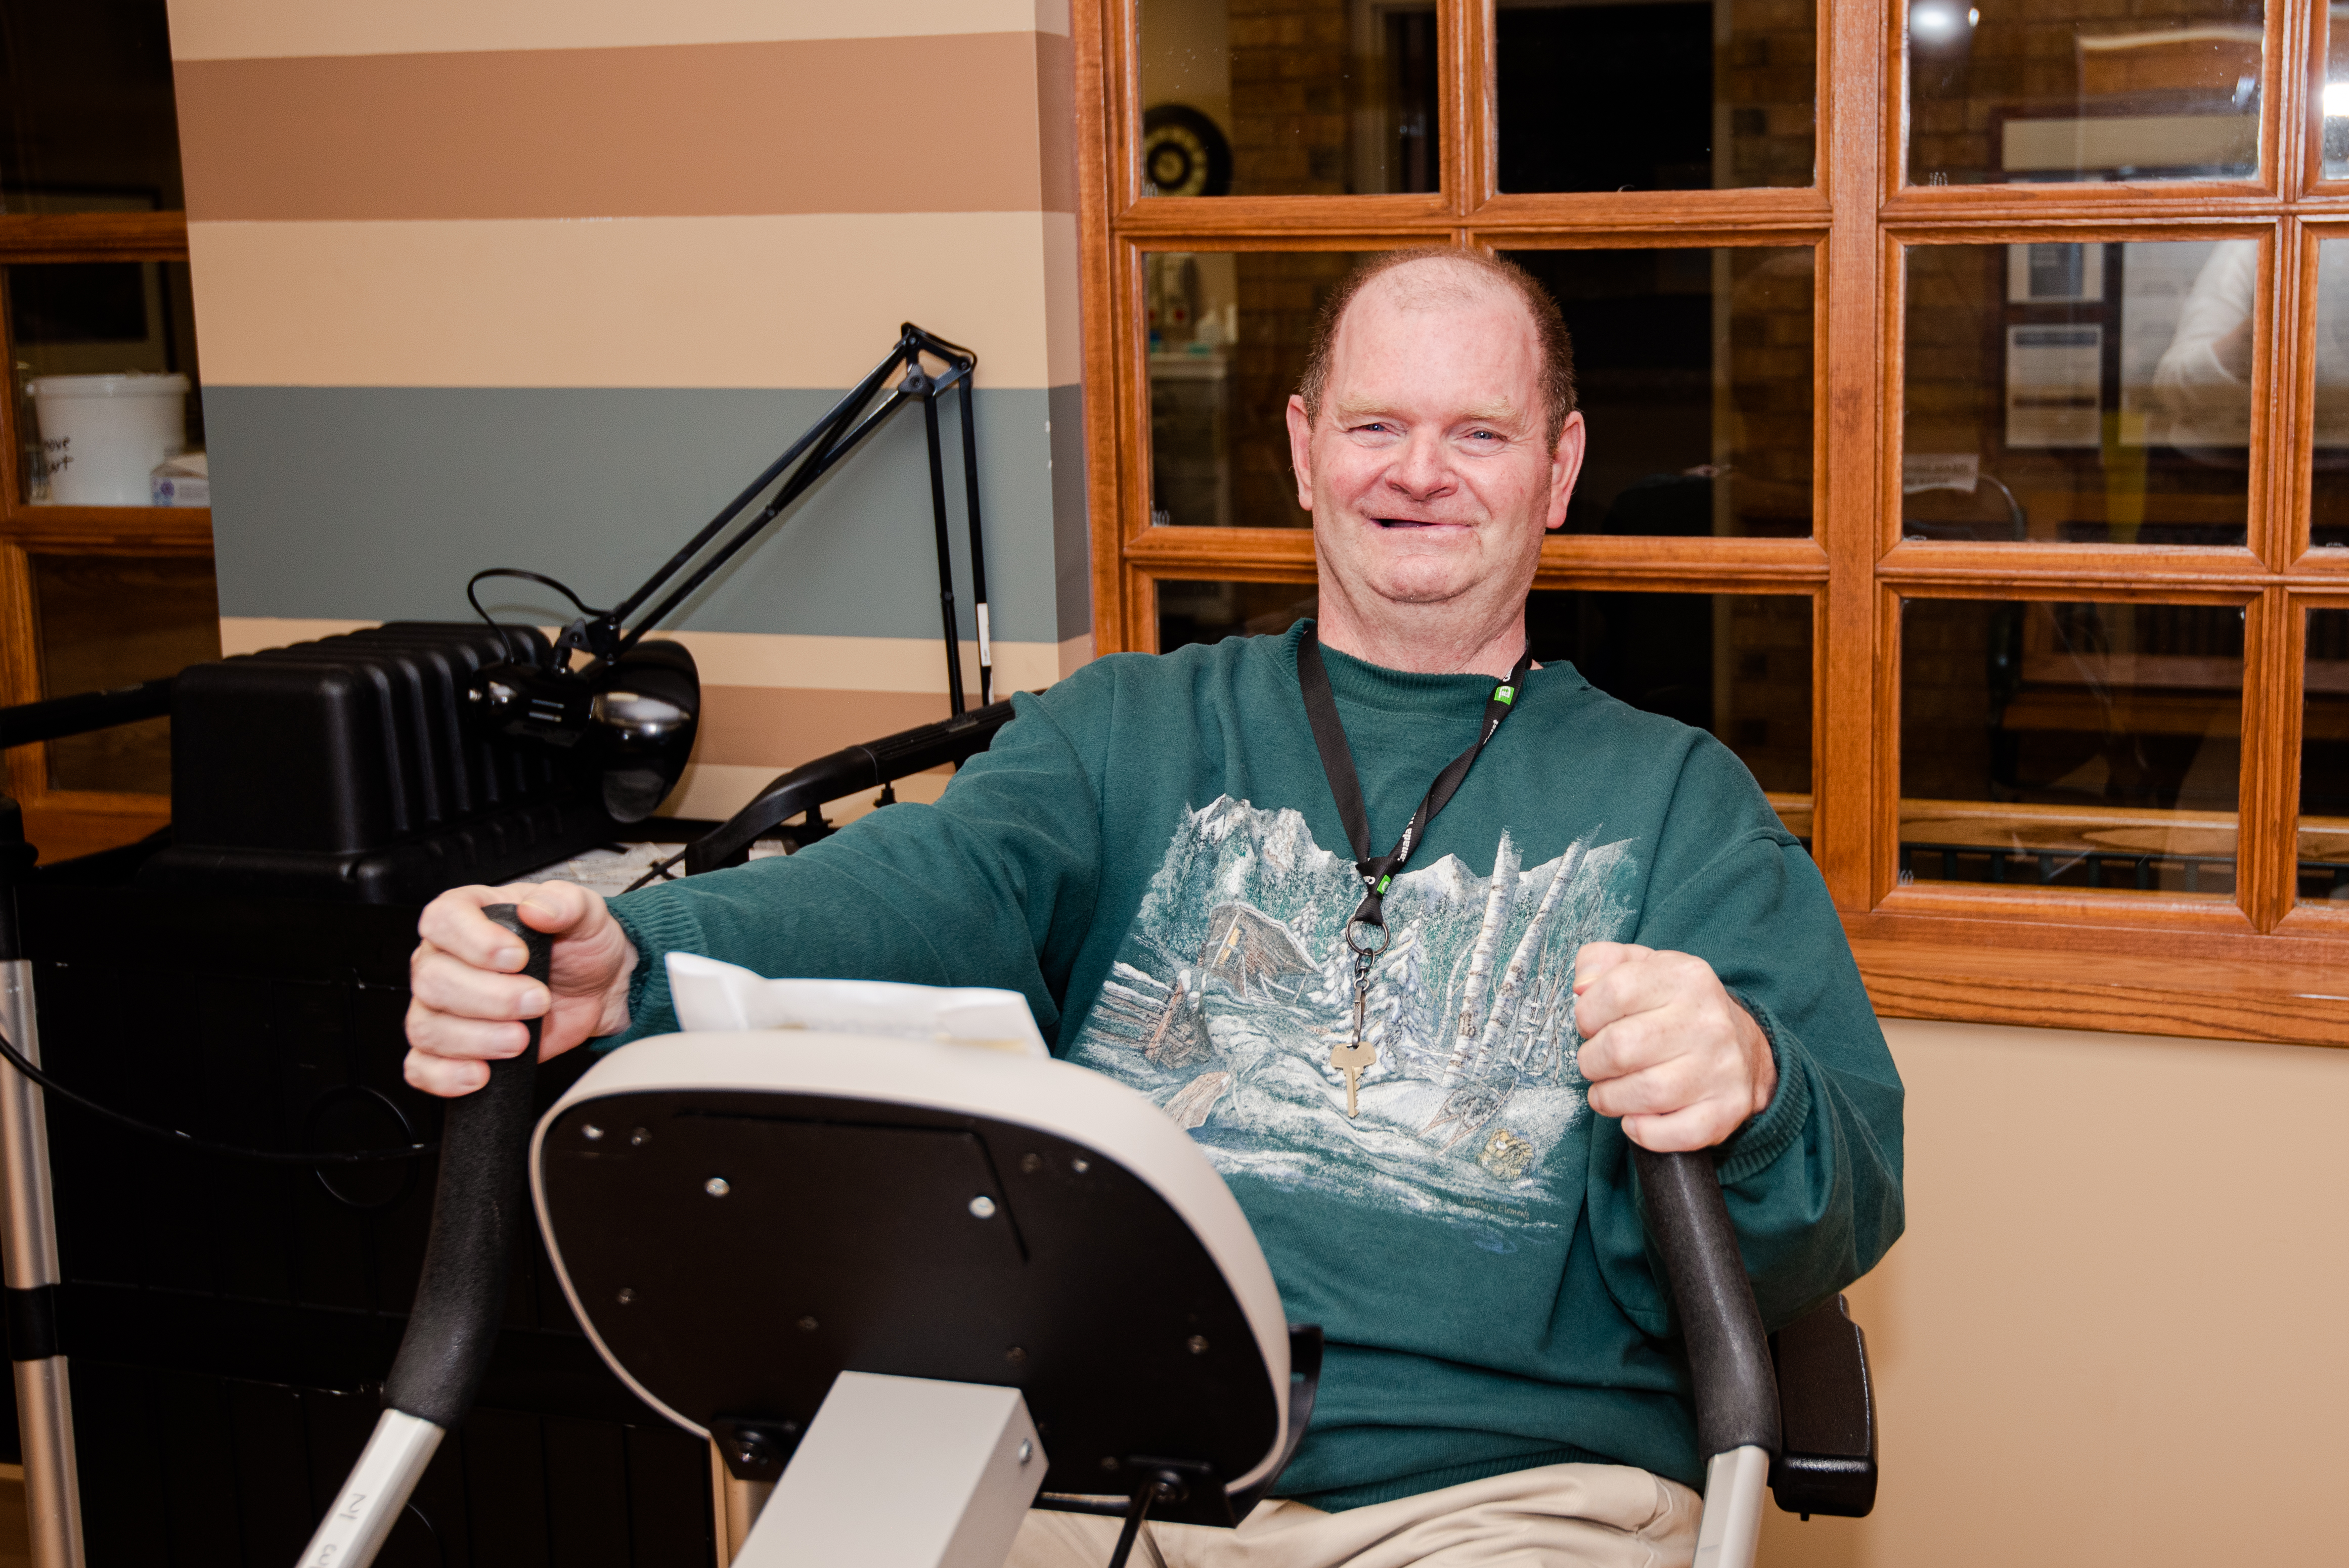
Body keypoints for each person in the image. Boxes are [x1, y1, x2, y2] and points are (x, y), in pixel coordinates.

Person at [406, 246, 1904, 1567]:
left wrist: (1754, 1087)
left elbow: (1846, 1190)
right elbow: (927, 885)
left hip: (1498, 1502)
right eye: (1376, 425)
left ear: (1560, 469)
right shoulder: (1127, 731)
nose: (1418, 472)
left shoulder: (1677, 798)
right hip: (1090, 1467)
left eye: (1479, 433)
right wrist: (639, 963)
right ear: (1305, 450)